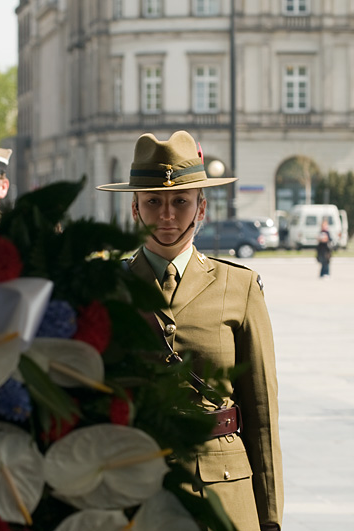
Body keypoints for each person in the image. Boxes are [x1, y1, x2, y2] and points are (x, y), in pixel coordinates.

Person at [97, 131, 283, 531]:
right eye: (153, 202)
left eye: (181, 201)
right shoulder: (105, 288)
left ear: (202, 208)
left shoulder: (241, 287)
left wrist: (270, 519)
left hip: (223, 488)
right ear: (134, 208)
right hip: (133, 485)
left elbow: (261, 413)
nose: (167, 215)